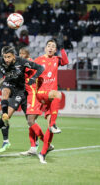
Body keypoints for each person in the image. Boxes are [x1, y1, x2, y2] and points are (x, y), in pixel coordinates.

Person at [0, 46, 44, 152]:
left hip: (22, 92)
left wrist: (34, 78)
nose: (6, 60)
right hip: (12, 90)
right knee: (6, 115)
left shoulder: (22, 62)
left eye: (8, 57)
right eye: (5, 57)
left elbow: (41, 68)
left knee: (30, 120)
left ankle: (38, 143)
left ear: (14, 56)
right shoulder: (1, 63)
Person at [35, 36, 69, 164]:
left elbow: (65, 61)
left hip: (50, 97)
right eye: (49, 45)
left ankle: (43, 153)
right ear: (45, 47)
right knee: (58, 94)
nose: (50, 48)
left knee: (49, 128)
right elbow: (29, 71)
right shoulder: (38, 60)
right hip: (42, 93)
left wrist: (63, 48)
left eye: (53, 46)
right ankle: (54, 124)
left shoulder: (56, 59)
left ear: (55, 50)